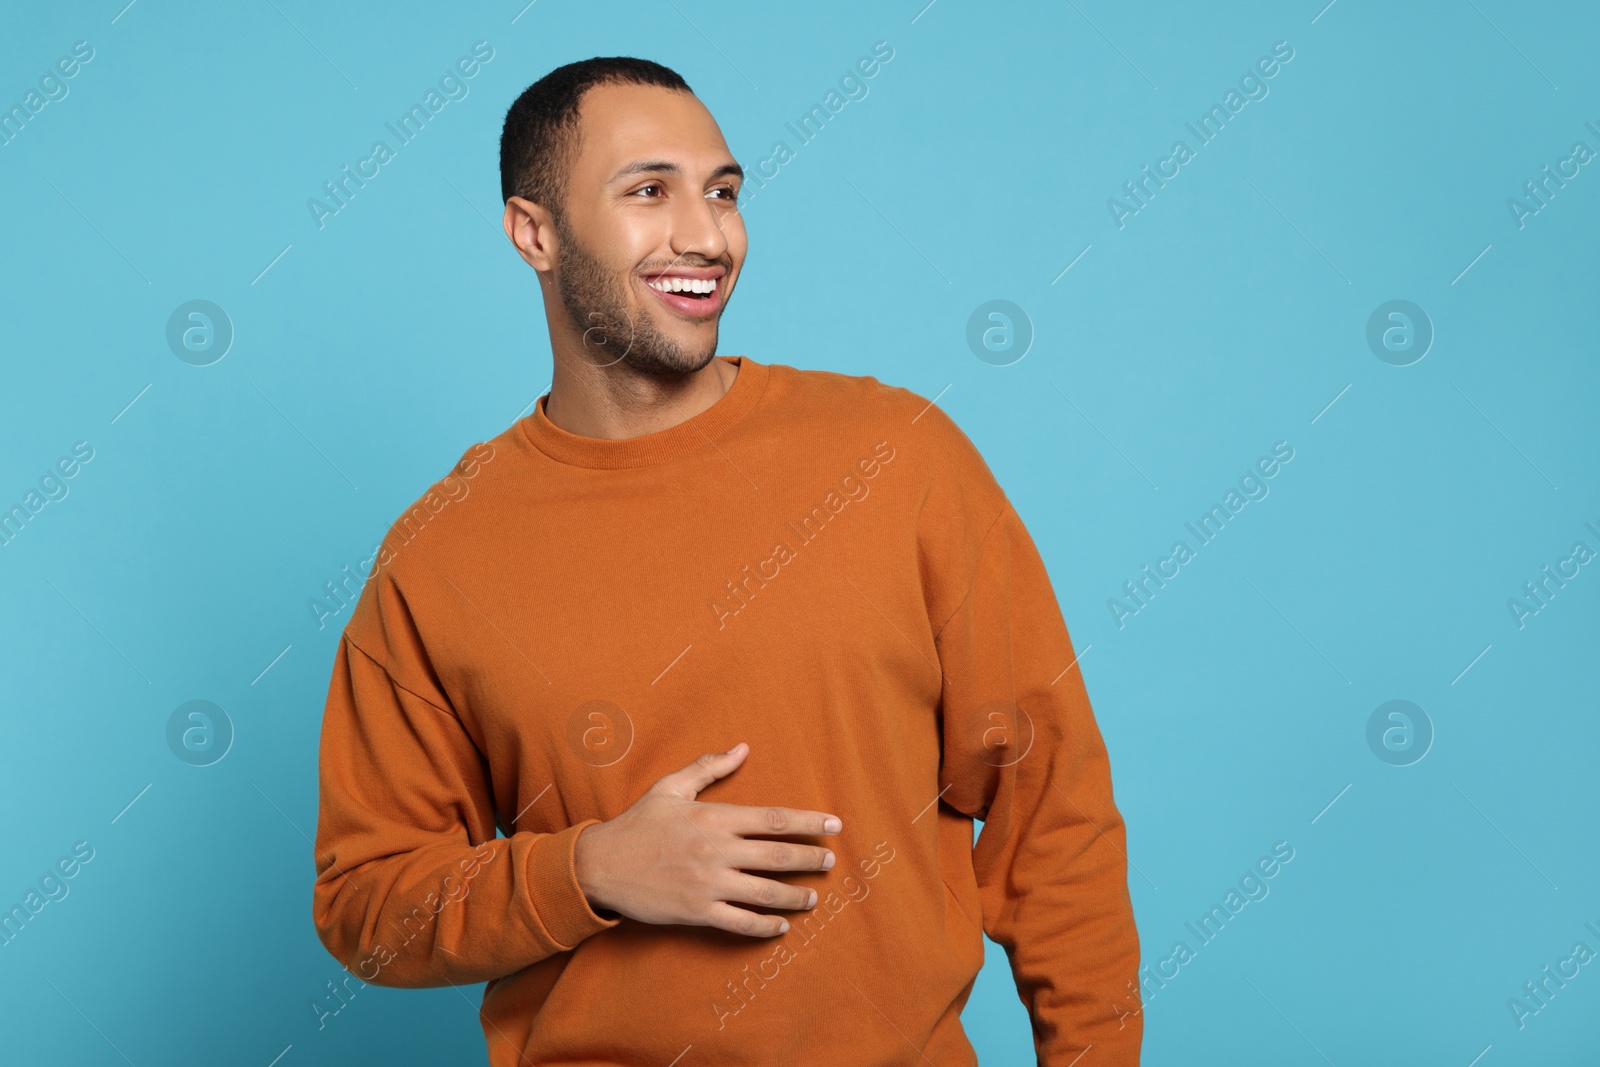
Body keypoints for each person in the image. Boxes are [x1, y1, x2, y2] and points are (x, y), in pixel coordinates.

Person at [311, 55, 1142, 1066]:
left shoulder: (896, 456)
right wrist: (590, 869)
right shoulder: (440, 552)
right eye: (648, 190)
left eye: (724, 192)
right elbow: (366, 904)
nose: (707, 235)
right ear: (535, 232)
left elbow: (1049, 806)